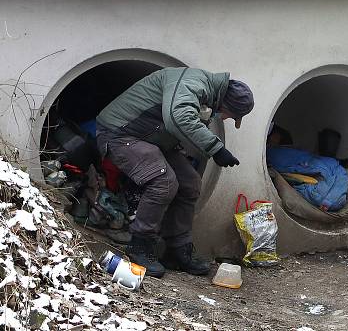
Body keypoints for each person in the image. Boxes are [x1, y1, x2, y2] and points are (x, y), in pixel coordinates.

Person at [96, 68, 254, 278]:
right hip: (119, 133)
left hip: (150, 139)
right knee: (164, 180)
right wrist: (217, 149)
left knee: (190, 182)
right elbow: (177, 116)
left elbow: (182, 129)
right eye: (229, 115)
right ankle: (139, 246)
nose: (224, 119)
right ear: (224, 103)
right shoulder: (193, 82)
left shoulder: (205, 97)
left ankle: (177, 249)